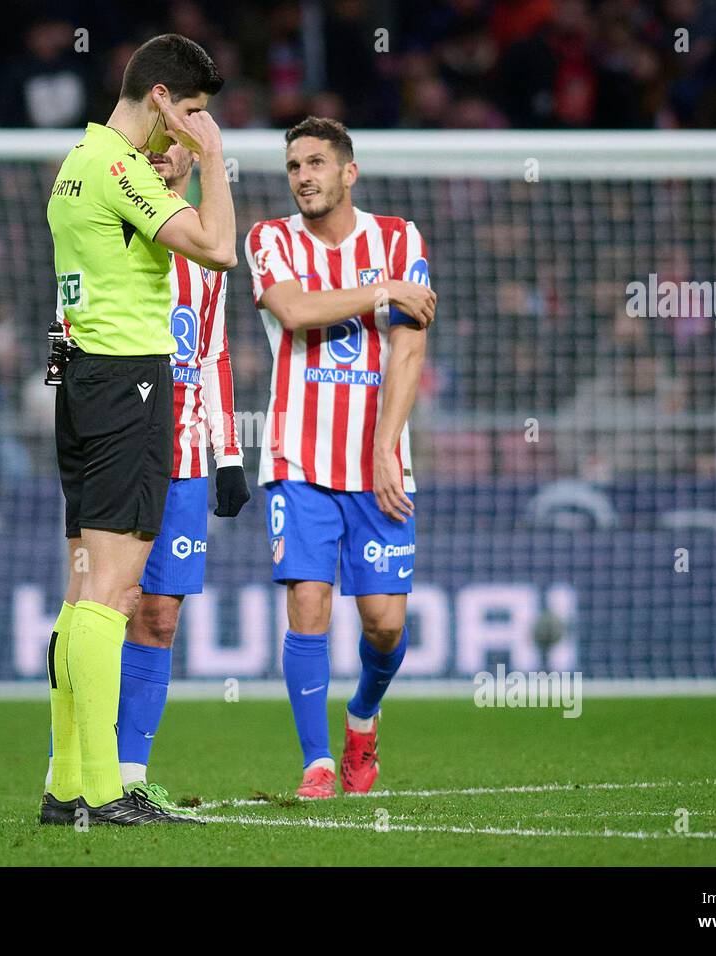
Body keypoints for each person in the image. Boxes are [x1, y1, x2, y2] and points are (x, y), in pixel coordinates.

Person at [41, 33, 236, 826]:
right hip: (130, 384)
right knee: (115, 594)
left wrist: (175, 177)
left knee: (81, 592)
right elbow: (219, 249)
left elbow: (130, 242)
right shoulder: (121, 169)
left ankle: (63, 786)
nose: (192, 126)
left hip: (80, 381)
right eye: (190, 111)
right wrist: (214, 162)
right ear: (161, 97)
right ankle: (100, 788)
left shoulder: (79, 164)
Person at [244, 116, 436, 798]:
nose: (304, 176)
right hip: (297, 459)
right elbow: (295, 312)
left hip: (378, 462)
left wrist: (387, 448)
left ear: (348, 172)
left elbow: (409, 348)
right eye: (294, 165)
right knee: (309, 604)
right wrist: (383, 293)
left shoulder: (399, 237)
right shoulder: (268, 239)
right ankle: (317, 763)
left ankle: (362, 717)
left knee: (384, 624)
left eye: (317, 163)